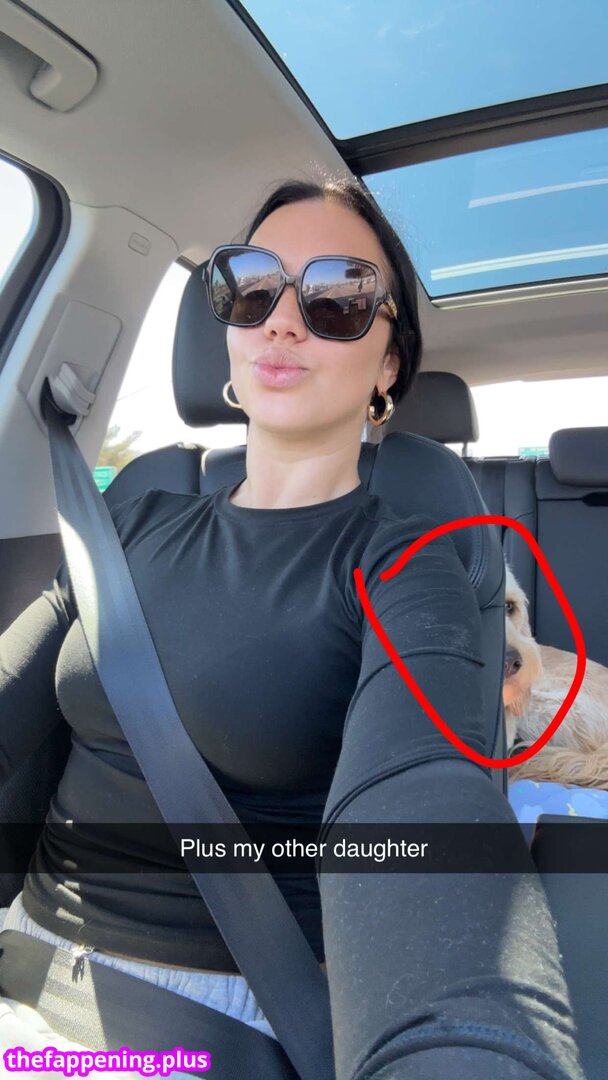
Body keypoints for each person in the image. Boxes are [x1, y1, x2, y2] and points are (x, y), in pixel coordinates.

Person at [0, 176, 586, 1080]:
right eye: (253, 287)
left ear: (388, 365)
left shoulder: (407, 563)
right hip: (19, 957)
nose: (281, 321)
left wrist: (468, 1042)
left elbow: (423, 800)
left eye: (337, 299)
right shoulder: (129, 520)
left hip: (199, 1021)